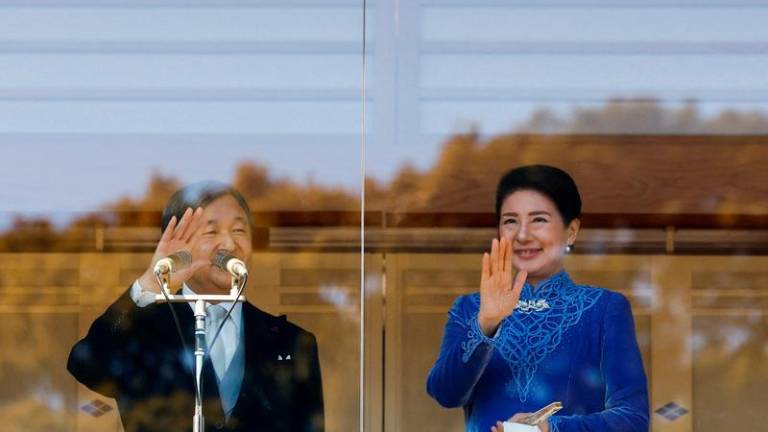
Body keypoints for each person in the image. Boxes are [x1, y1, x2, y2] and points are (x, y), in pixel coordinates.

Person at [68, 182, 324, 432]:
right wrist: (150, 282)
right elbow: (88, 364)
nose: (229, 244)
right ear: (180, 245)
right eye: (211, 232)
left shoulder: (292, 342)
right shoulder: (145, 331)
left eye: (239, 230)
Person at [426, 165, 648, 432]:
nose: (522, 235)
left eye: (538, 220)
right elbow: (445, 394)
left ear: (571, 231)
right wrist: (486, 323)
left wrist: (550, 428)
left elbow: (633, 420)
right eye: (510, 221)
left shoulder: (603, 309)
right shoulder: (470, 308)